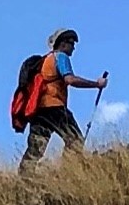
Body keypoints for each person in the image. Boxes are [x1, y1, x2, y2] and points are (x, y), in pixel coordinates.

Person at [20, 30, 107, 169]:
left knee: (35, 148)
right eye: (71, 43)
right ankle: (68, 171)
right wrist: (97, 84)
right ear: (62, 44)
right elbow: (70, 79)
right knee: (75, 139)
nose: (74, 47)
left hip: (39, 110)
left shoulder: (45, 61)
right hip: (55, 107)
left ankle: (24, 176)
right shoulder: (61, 57)